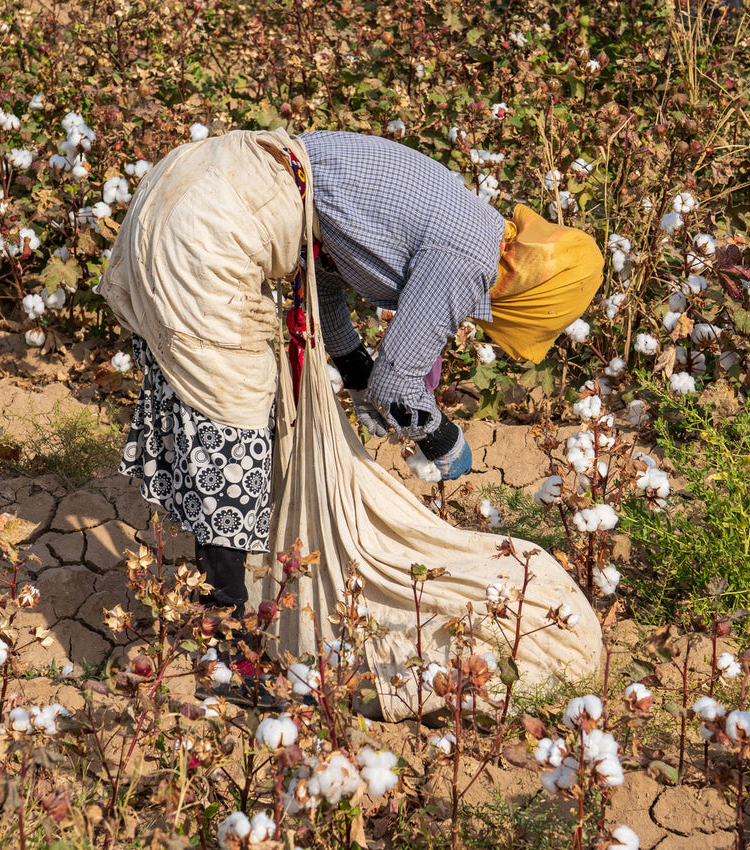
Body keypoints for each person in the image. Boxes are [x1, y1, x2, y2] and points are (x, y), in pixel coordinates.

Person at [98, 128, 603, 622]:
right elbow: (398, 386)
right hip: (214, 223)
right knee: (232, 404)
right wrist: (442, 439)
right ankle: (220, 612)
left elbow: (325, 269)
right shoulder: (468, 261)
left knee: (197, 383)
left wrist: (355, 367)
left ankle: (213, 579)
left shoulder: (470, 221)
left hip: (197, 176)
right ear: (538, 298)